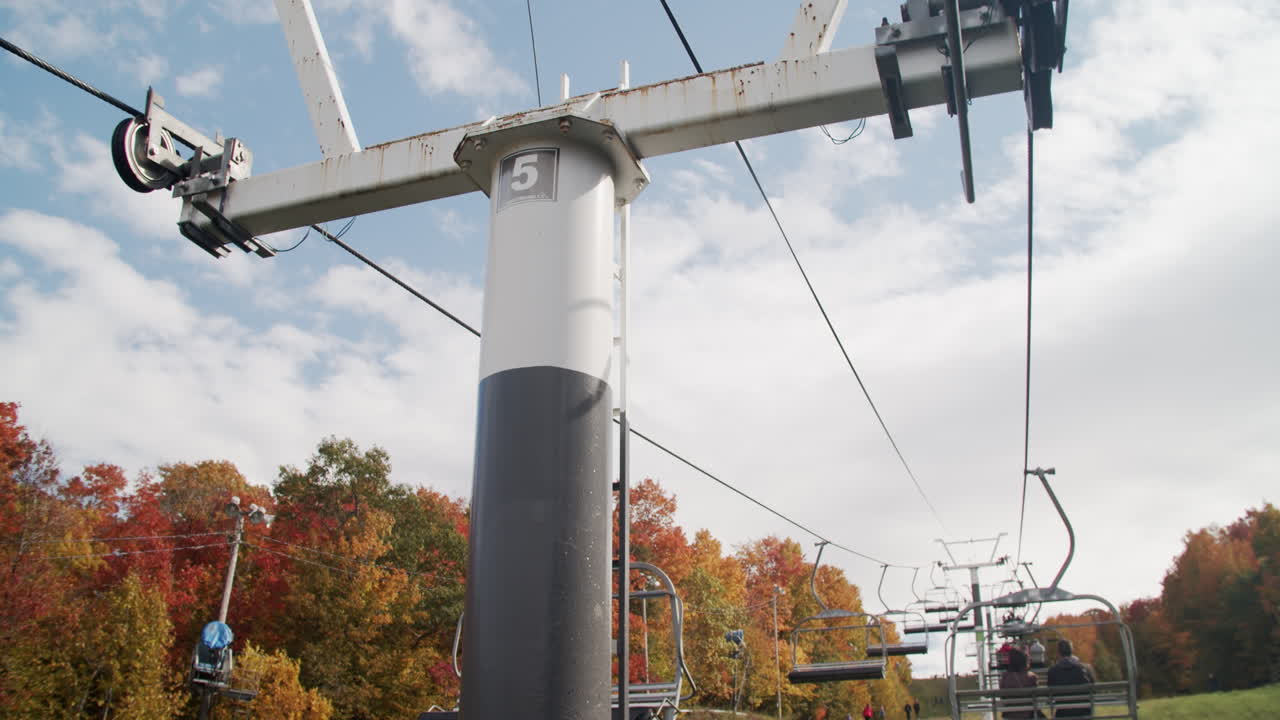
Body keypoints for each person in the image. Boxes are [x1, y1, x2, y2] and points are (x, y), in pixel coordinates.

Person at [1046, 640, 1094, 718]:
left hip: (1063, 713)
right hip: (1084, 713)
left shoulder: (1052, 671)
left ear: (1058, 652)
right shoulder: (1086, 668)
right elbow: (1093, 689)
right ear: (1072, 650)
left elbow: (1050, 694)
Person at [999, 648, 1039, 719]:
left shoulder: (1005, 677)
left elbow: (1002, 696)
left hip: (1010, 715)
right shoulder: (1031, 677)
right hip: (1028, 714)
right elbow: (1036, 696)